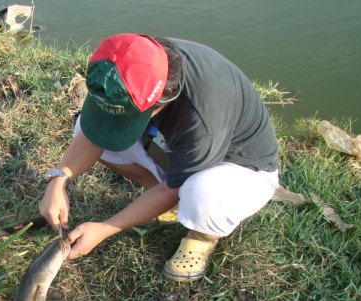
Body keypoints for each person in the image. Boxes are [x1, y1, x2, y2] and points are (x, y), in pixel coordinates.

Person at [39, 33, 279, 282]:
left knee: (201, 192)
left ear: (166, 96)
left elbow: (172, 189)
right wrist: (58, 180)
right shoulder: (128, 66)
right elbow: (91, 136)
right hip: (177, 149)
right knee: (87, 128)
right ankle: (168, 202)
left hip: (239, 169)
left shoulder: (202, 117)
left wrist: (105, 229)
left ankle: (202, 238)